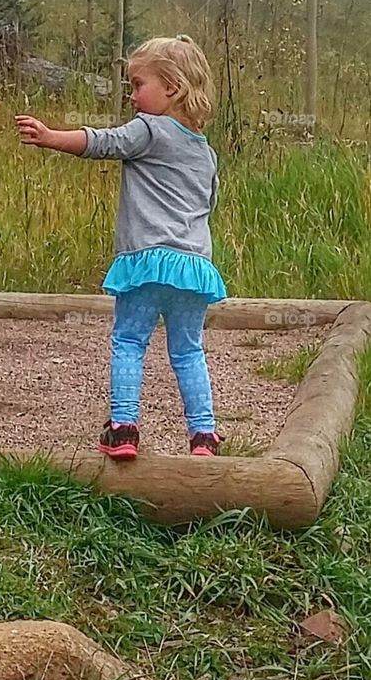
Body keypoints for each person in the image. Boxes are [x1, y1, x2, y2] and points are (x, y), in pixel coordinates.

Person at [15, 34, 226, 459]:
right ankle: (203, 435)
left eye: (137, 84)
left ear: (172, 87)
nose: (132, 95)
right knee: (188, 350)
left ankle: (124, 428)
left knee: (130, 341)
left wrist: (51, 136)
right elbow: (208, 203)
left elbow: (103, 143)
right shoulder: (206, 152)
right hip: (193, 266)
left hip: (147, 260)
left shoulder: (148, 129)